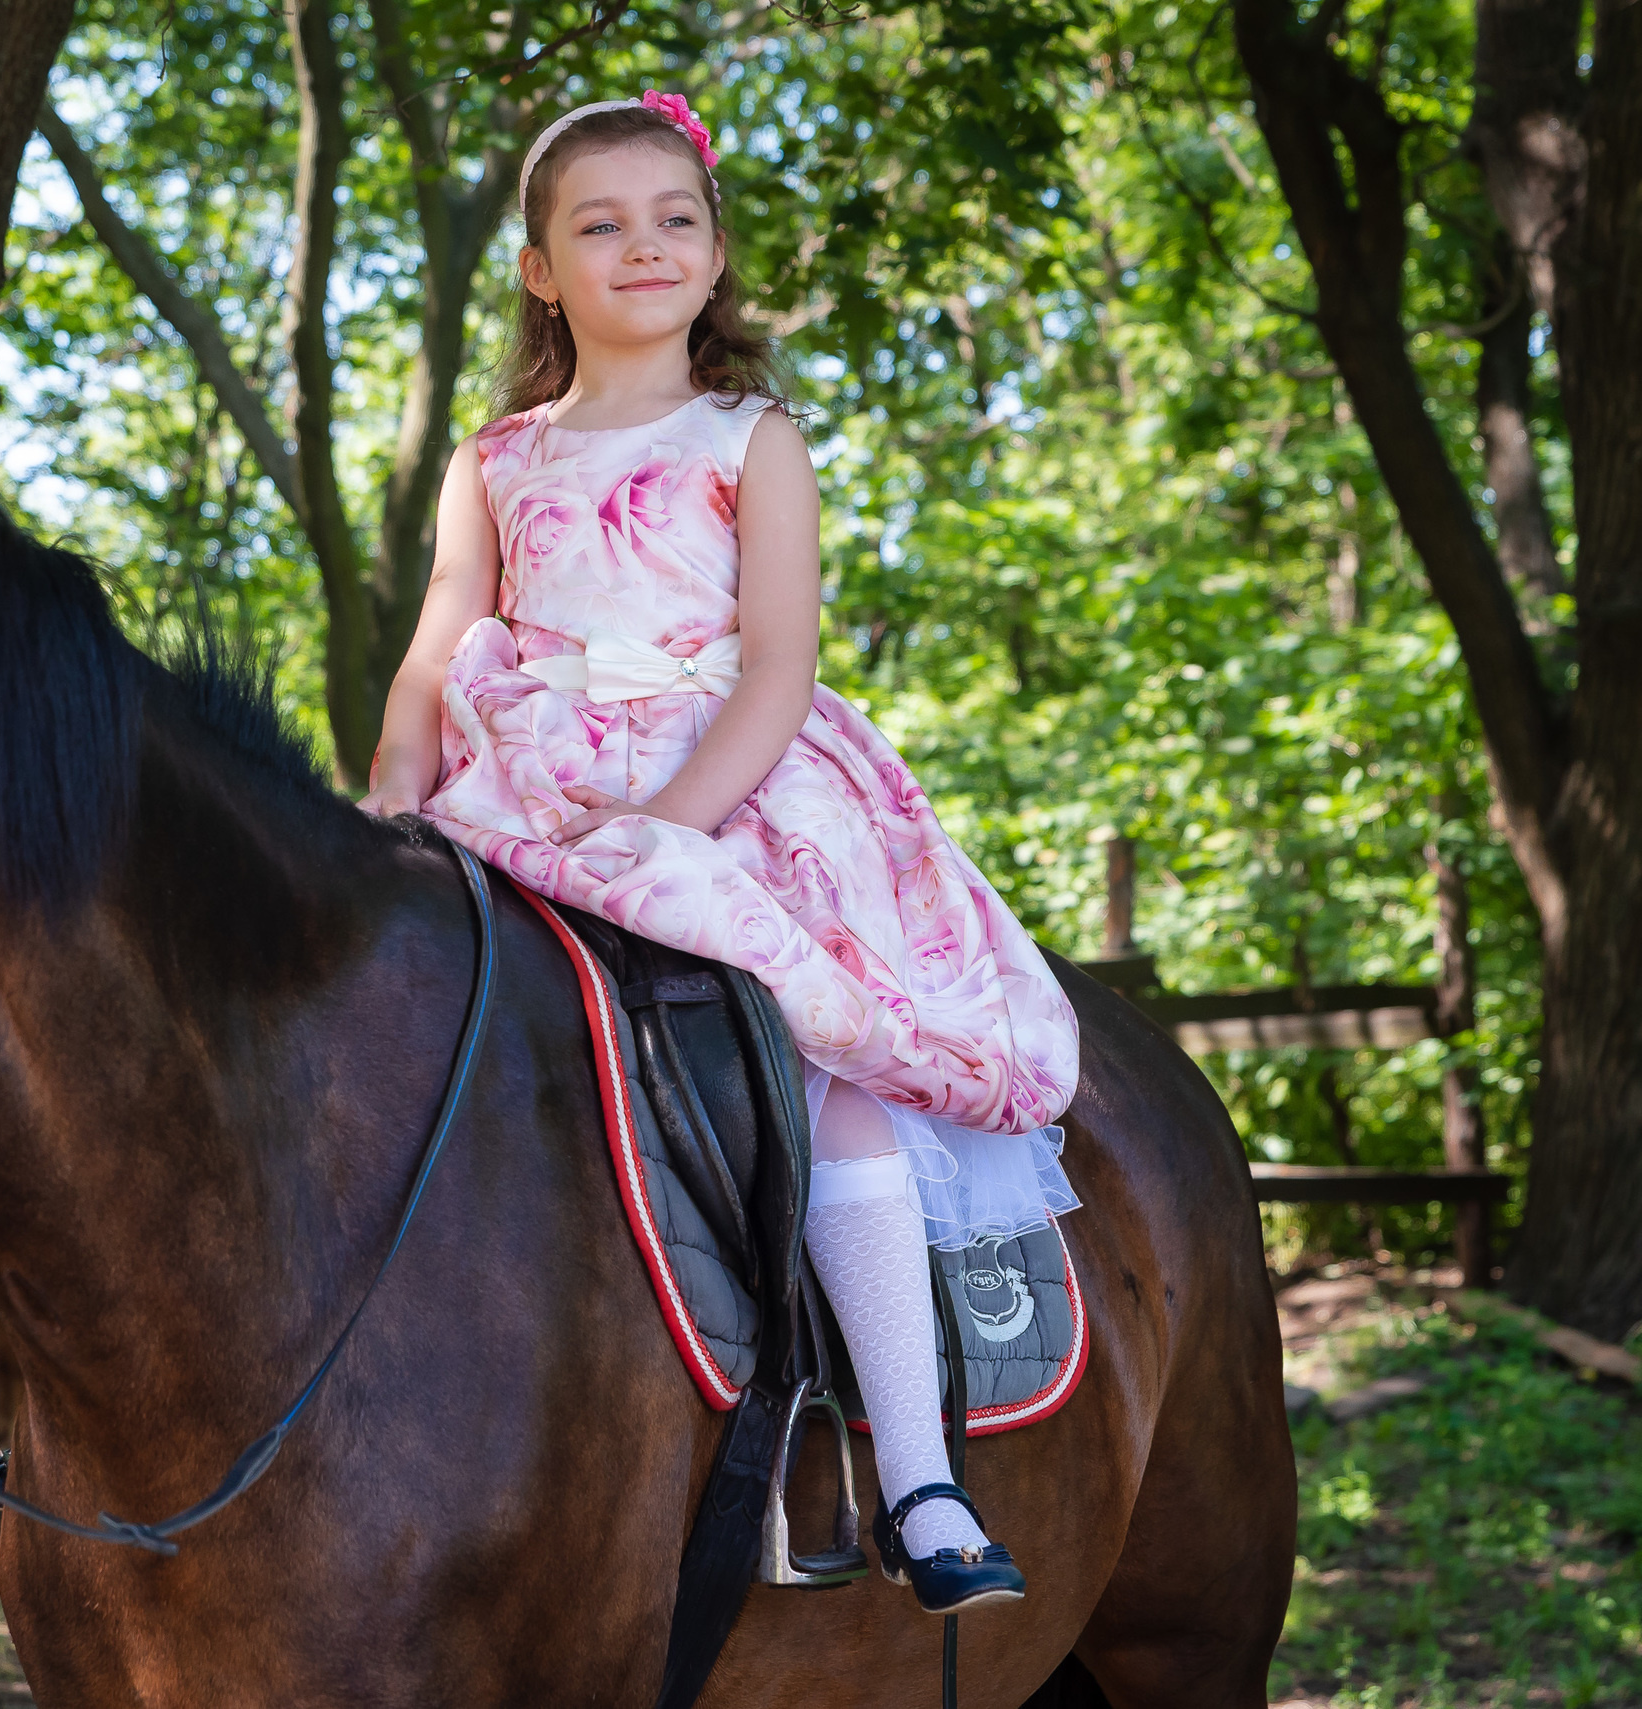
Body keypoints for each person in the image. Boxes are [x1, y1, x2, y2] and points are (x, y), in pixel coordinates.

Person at [359, 88, 1081, 1616]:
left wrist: (667, 838)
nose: (646, 243)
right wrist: (385, 810)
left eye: (675, 216)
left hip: (725, 782)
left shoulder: (756, 440)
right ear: (542, 271)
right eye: (600, 223)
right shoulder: (494, 457)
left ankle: (921, 1480)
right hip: (531, 776)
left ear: (716, 250)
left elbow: (777, 668)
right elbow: (438, 643)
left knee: (818, 1067)